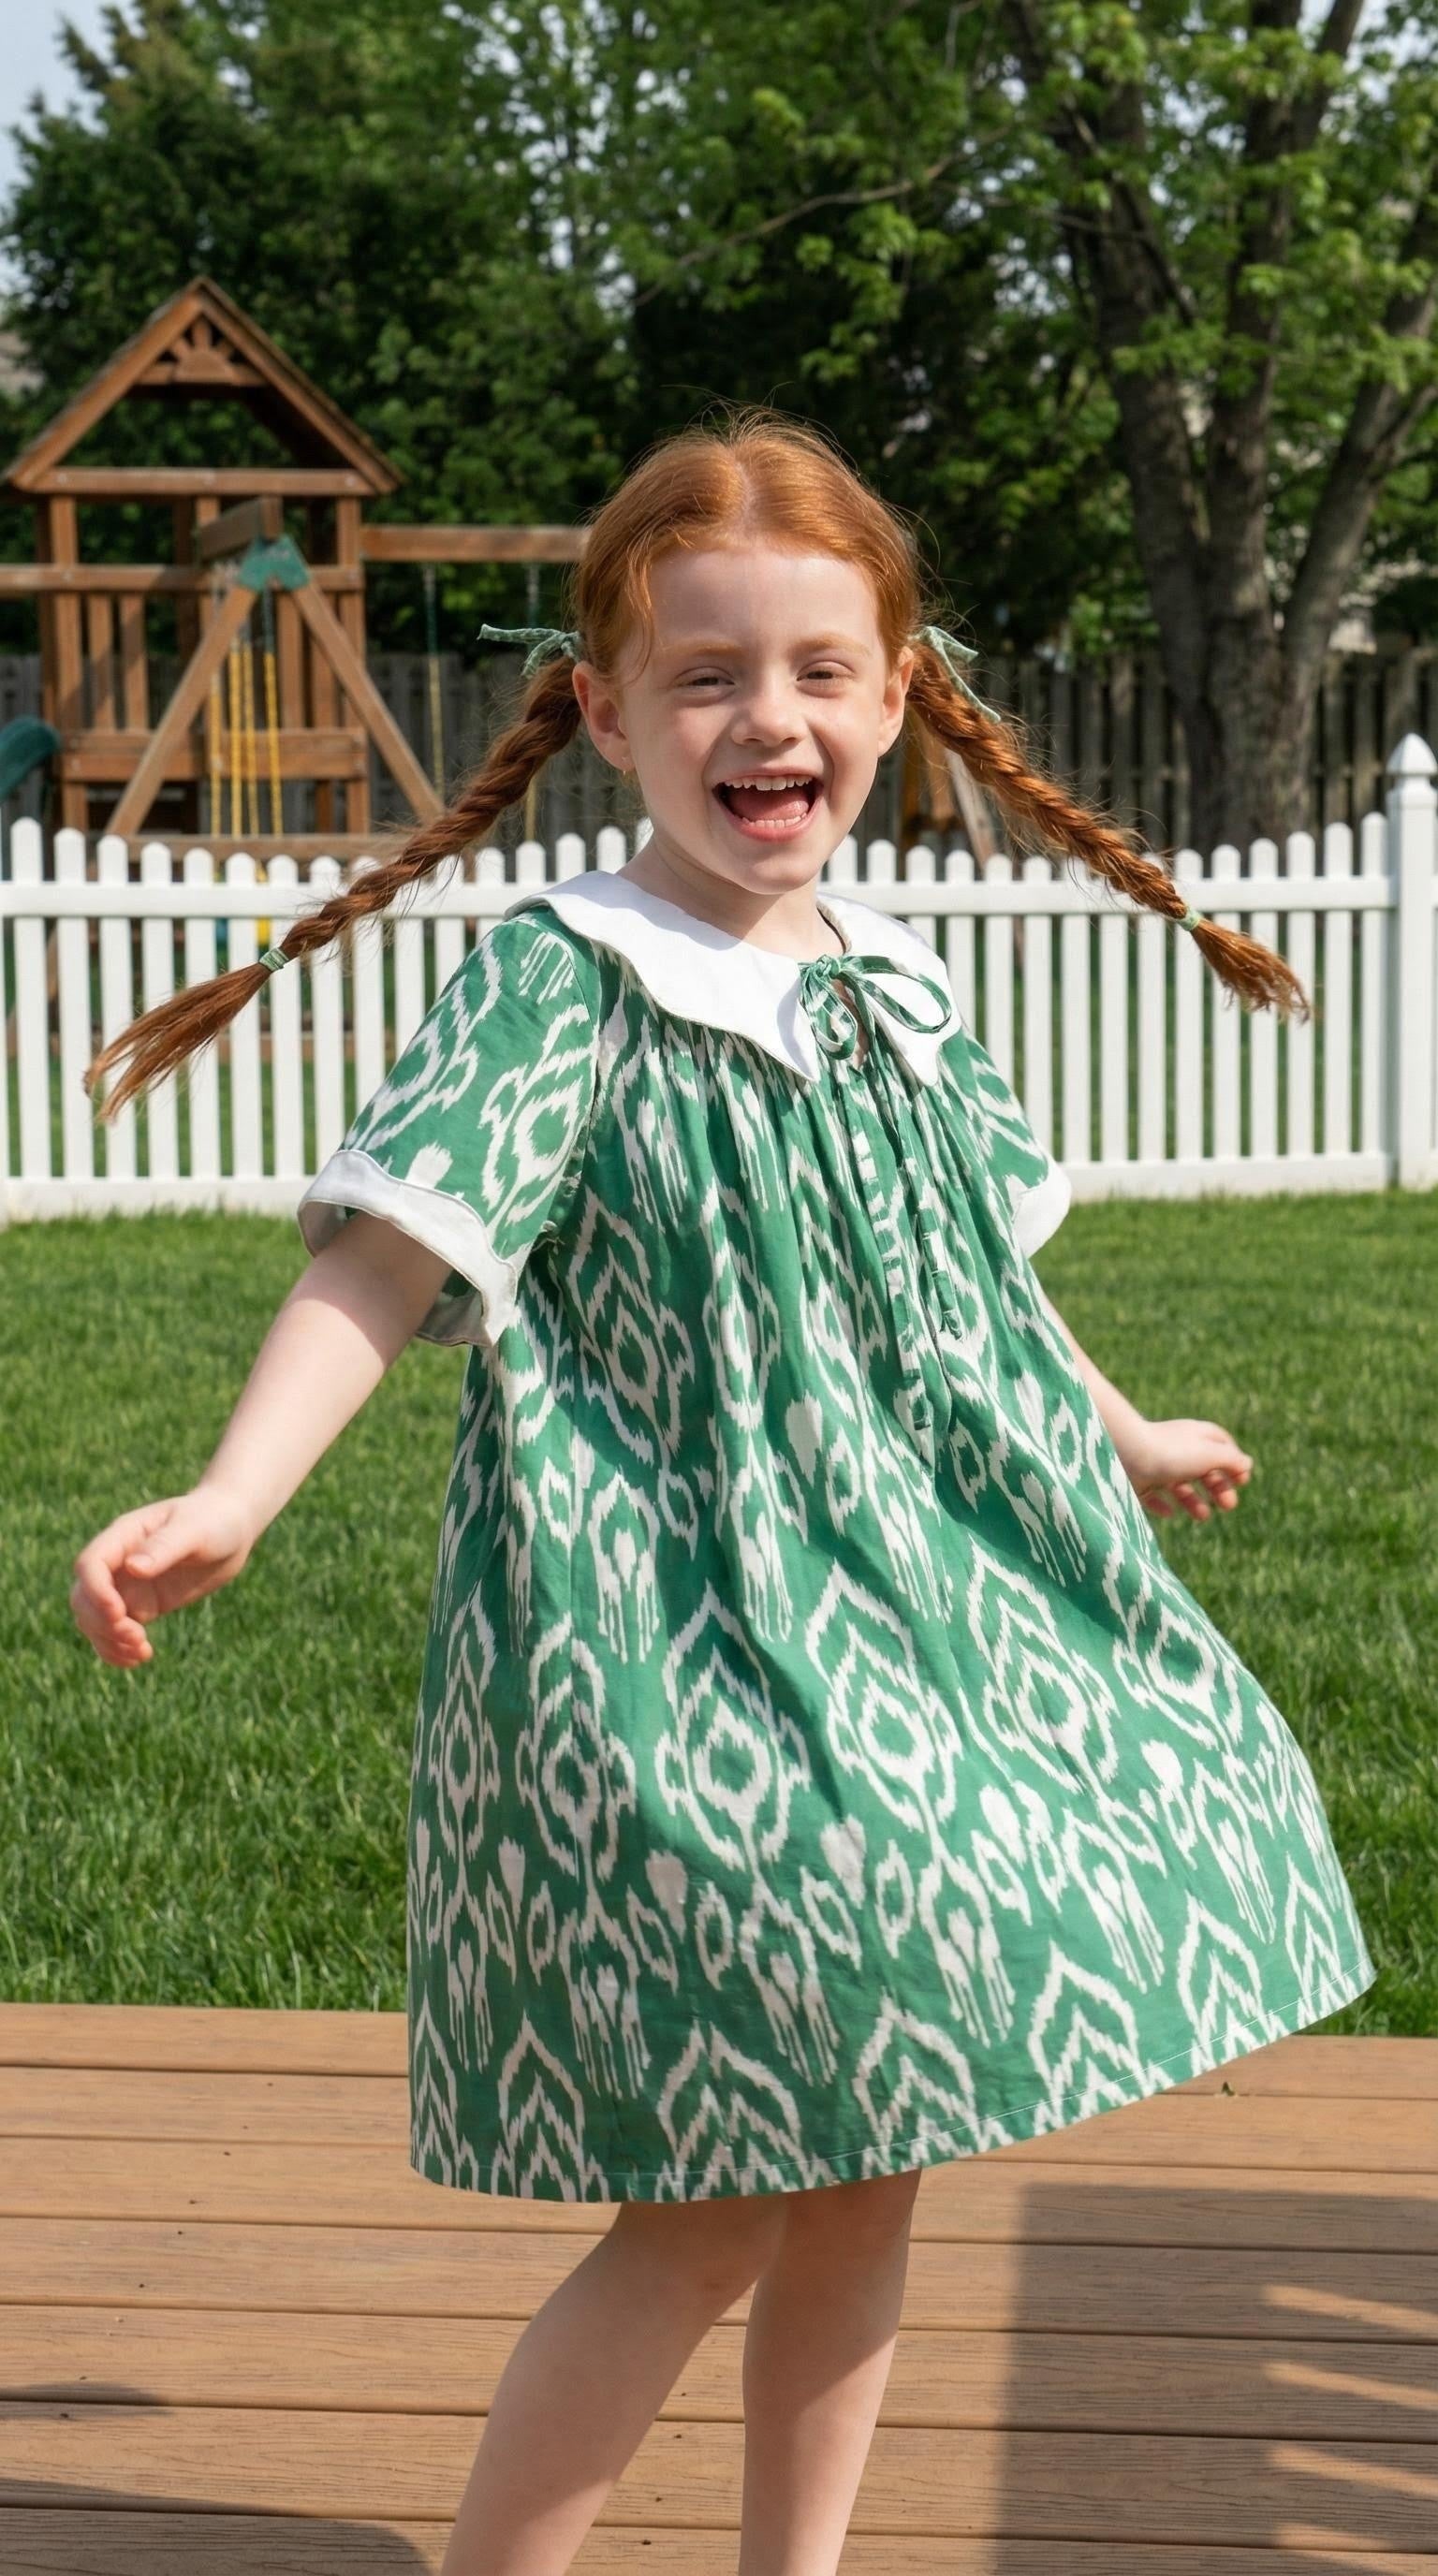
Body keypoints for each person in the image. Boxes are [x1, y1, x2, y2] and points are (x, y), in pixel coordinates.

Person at [70, 409, 1375, 2576]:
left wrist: (1123, 1429)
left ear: (896, 696)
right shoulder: (565, 980)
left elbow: (971, 1280)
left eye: (817, 671)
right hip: (674, 1647)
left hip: (916, 1629)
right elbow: (388, 1257)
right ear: (603, 711)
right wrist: (235, 1491)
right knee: (707, 2207)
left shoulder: (893, 992)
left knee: (877, 2154)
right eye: (705, 675)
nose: (765, 717)